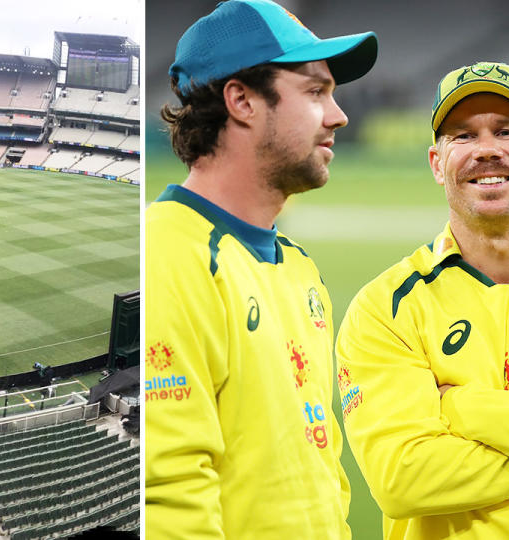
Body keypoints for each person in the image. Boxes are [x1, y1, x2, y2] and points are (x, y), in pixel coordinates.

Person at [337, 61, 509, 539]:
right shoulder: (386, 308)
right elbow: (404, 481)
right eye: (463, 136)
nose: (486, 150)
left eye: (507, 130)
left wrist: (465, 409)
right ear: (436, 163)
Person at [144, 1, 378, 538]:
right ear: (242, 100)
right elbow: (169, 499)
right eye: (315, 92)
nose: (339, 115)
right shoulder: (170, 254)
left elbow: (321, 473)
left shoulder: (298, 267)